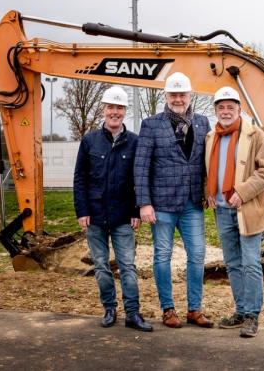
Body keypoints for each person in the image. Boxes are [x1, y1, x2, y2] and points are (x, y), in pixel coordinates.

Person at [134, 72, 213, 329]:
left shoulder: (202, 124)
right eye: (173, 94)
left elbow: (207, 163)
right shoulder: (151, 125)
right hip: (163, 204)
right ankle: (168, 309)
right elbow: (141, 166)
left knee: (197, 255)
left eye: (183, 94)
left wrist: (209, 190)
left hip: (192, 204)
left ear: (190, 96)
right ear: (165, 96)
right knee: (162, 256)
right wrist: (144, 203)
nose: (178, 99)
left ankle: (194, 309)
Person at [73, 86, 152, 332]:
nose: (114, 112)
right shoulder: (89, 141)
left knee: (127, 266)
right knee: (101, 265)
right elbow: (80, 178)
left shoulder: (135, 142)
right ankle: (109, 308)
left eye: (119, 108)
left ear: (124, 111)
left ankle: (132, 313)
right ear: (103, 110)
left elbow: (139, 179)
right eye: (110, 107)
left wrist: (136, 211)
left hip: (122, 217)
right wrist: (82, 210)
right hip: (95, 216)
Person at [205, 86, 264, 338]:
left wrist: (242, 192)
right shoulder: (211, 137)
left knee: (250, 263)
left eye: (230, 107)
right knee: (233, 264)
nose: (226, 111)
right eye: (221, 107)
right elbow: (208, 171)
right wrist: (208, 191)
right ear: (216, 110)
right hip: (223, 211)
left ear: (239, 109)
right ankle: (241, 310)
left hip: (248, 210)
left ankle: (252, 315)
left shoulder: (255, 135)